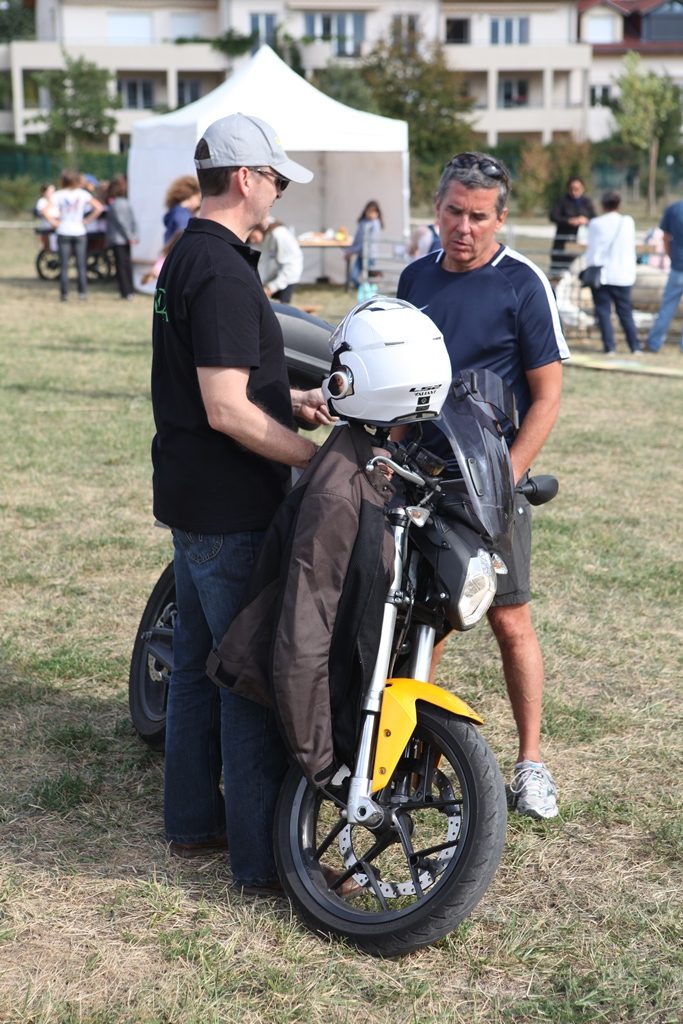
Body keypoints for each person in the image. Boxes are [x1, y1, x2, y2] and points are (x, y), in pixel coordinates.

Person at [150, 112, 333, 892]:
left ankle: (193, 822)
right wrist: (315, 463)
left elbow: (220, 379)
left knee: (196, 667)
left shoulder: (189, 254)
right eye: (277, 178)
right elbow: (225, 409)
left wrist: (291, 400)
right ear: (246, 177)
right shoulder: (223, 271)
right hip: (229, 509)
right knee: (247, 678)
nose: (280, 191)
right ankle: (263, 866)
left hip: (192, 498)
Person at [397, 151, 570, 820]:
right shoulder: (414, 277)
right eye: (452, 212)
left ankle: (531, 764)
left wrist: (506, 475)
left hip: (491, 488)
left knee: (508, 619)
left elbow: (547, 396)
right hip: (421, 480)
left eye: (477, 216)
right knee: (422, 619)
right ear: (436, 209)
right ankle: (415, 752)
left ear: (500, 218)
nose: (462, 227)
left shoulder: (521, 283)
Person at [584, 191, 642, 356]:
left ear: (602, 205)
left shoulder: (595, 223)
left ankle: (610, 347)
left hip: (602, 274)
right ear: (619, 204)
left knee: (603, 312)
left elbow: (592, 249)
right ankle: (635, 346)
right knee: (625, 312)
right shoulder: (627, 222)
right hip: (623, 274)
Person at [45, 168, 104, 302]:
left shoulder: (59, 195)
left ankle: (64, 293)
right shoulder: (83, 194)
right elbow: (99, 207)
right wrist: (86, 221)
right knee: (81, 264)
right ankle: (82, 293)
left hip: (63, 231)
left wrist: (54, 223)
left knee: (64, 264)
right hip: (79, 231)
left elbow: (45, 210)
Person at [647, 197, 683, 353]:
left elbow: (665, 237)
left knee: (667, 307)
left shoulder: (673, 209)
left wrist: (671, 257)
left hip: (677, 267)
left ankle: (654, 343)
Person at [248, 217, 303, 303]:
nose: (251, 240)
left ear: (257, 227)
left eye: (251, 235)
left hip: (286, 279)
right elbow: (263, 263)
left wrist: (272, 287)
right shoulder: (264, 236)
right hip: (272, 280)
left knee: (282, 308)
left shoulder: (279, 234)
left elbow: (291, 265)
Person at [549, 176, 596, 276]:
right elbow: (553, 216)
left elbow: (594, 218)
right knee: (560, 272)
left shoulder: (587, 202)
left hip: (581, 242)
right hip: (563, 242)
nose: (574, 192)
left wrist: (585, 220)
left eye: (577, 189)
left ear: (582, 188)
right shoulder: (562, 201)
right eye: (571, 189)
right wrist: (569, 221)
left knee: (579, 270)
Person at [105, 174, 138, 300]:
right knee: (127, 265)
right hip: (126, 239)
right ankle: (130, 290)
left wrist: (129, 236)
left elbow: (121, 223)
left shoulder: (115, 205)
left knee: (121, 266)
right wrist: (134, 235)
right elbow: (133, 221)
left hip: (119, 240)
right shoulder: (127, 203)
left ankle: (125, 291)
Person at [345, 199, 383, 288]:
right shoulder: (362, 223)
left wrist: (352, 251)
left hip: (370, 255)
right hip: (361, 254)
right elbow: (357, 239)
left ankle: (373, 286)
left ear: (377, 213)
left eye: (373, 211)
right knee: (354, 277)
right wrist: (350, 250)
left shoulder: (375, 224)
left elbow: (368, 242)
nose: (370, 213)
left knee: (370, 278)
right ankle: (364, 290)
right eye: (369, 211)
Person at [162, 174, 201, 245]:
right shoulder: (183, 215)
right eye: (198, 198)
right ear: (191, 195)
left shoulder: (174, 212)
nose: (199, 203)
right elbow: (185, 236)